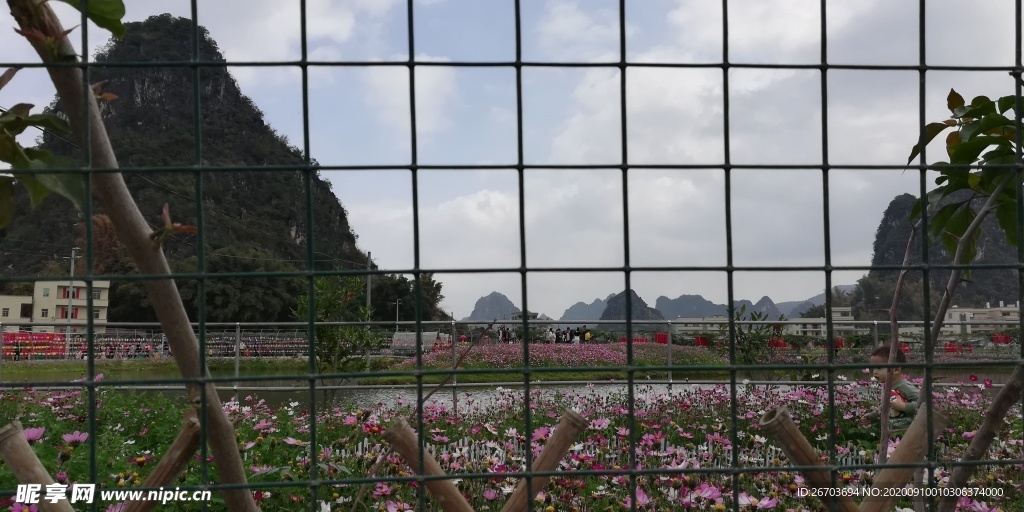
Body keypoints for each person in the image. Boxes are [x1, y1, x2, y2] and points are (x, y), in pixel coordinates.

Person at [859, 345, 921, 431]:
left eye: (879, 368)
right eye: (873, 368)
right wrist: (872, 416)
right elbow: (885, 407)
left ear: (896, 370)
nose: (875, 372)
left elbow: (923, 403)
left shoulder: (904, 387)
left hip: (907, 433)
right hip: (892, 432)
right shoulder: (887, 387)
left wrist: (904, 406)